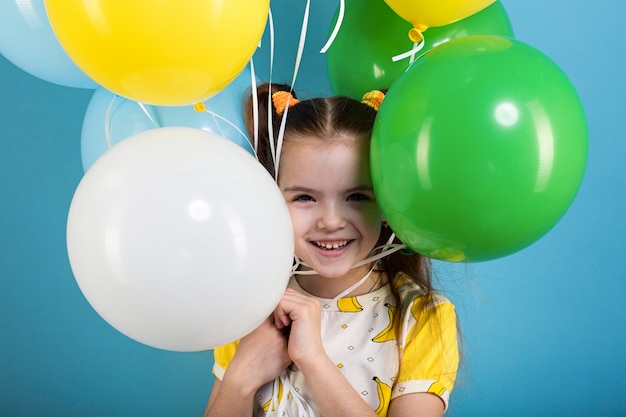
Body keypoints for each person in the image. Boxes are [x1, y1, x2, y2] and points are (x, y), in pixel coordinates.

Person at [203, 83, 459, 417]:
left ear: (387, 204)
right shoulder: (250, 308)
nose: (331, 221)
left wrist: (312, 359)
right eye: (305, 197)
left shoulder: (424, 315)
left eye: (356, 197)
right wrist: (239, 379)